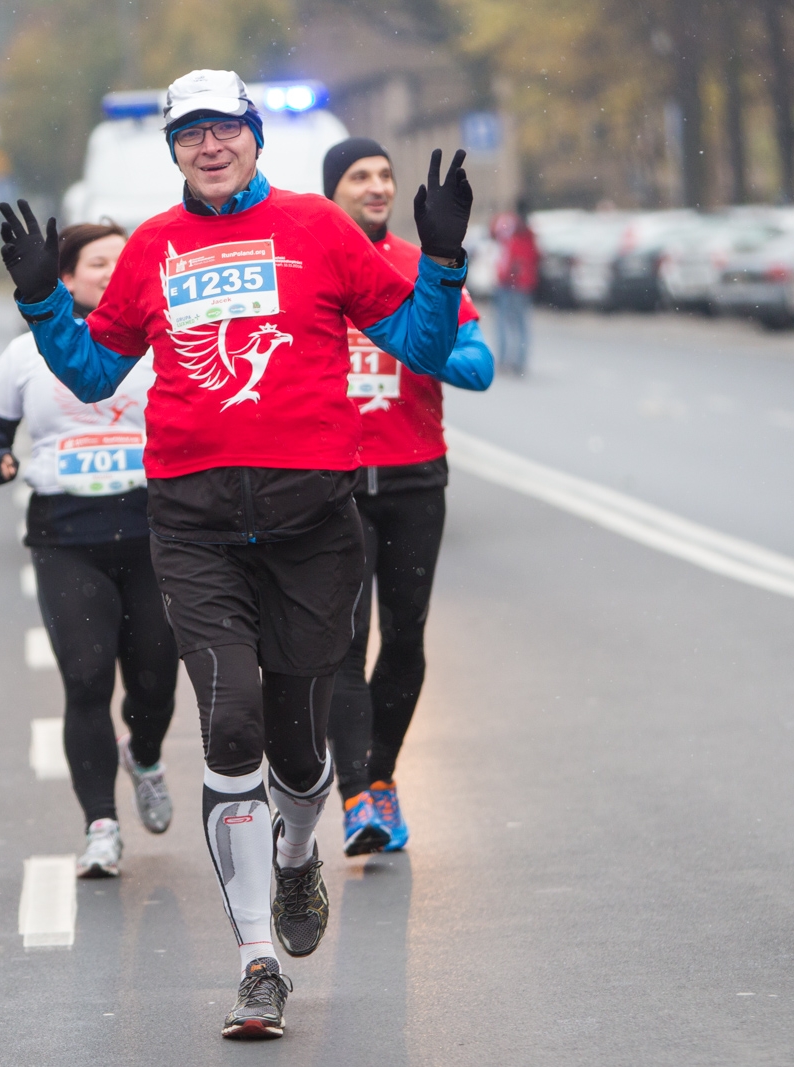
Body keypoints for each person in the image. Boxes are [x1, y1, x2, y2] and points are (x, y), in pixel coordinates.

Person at [0, 68, 471, 1040]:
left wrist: (446, 257)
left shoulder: (318, 228)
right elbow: (91, 375)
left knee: (300, 745)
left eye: (224, 129)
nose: (209, 146)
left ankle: (298, 851)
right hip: (194, 523)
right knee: (228, 724)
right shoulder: (154, 250)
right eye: (190, 134)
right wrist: (44, 301)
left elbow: (422, 346)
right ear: (174, 151)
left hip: (310, 524)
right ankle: (257, 957)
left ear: (254, 137)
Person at [0, 222, 177, 878]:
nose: (114, 271)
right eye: (99, 262)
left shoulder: (158, 338)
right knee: (85, 679)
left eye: (123, 260)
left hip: (150, 531)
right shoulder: (27, 354)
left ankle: (143, 753)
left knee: (155, 682)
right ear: (66, 277)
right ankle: (100, 826)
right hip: (67, 535)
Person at [319, 138, 493, 857]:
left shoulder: (424, 268)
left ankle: (382, 777)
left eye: (384, 175)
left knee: (406, 636)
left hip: (417, 475)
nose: (376, 186)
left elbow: (480, 365)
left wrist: (418, 348)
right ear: (332, 190)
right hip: (336, 482)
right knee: (345, 641)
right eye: (359, 176)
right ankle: (355, 792)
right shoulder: (316, 266)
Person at [493, 199, 537, 374]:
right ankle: (518, 360)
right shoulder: (527, 233)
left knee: (506, 322)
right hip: (520, 283)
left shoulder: (512, 230)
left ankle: (509, 360)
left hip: (511, 282)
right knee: (518, 323)